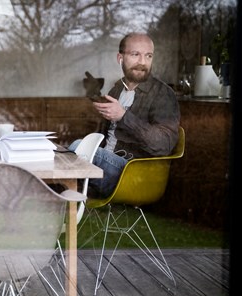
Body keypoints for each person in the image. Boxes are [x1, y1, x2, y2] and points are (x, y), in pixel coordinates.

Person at [68, 32, 180, 198]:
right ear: (120, 58)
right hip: (107, 164)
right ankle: (65, 201)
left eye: (148, 56)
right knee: (63, 152)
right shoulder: (116, 90)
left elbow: (164, 145)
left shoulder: (163, 94)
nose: (142, 62)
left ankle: (66, 197)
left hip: (132, 172)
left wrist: (123, 116)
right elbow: (106, 135)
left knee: (78, 148)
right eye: (135, 54)